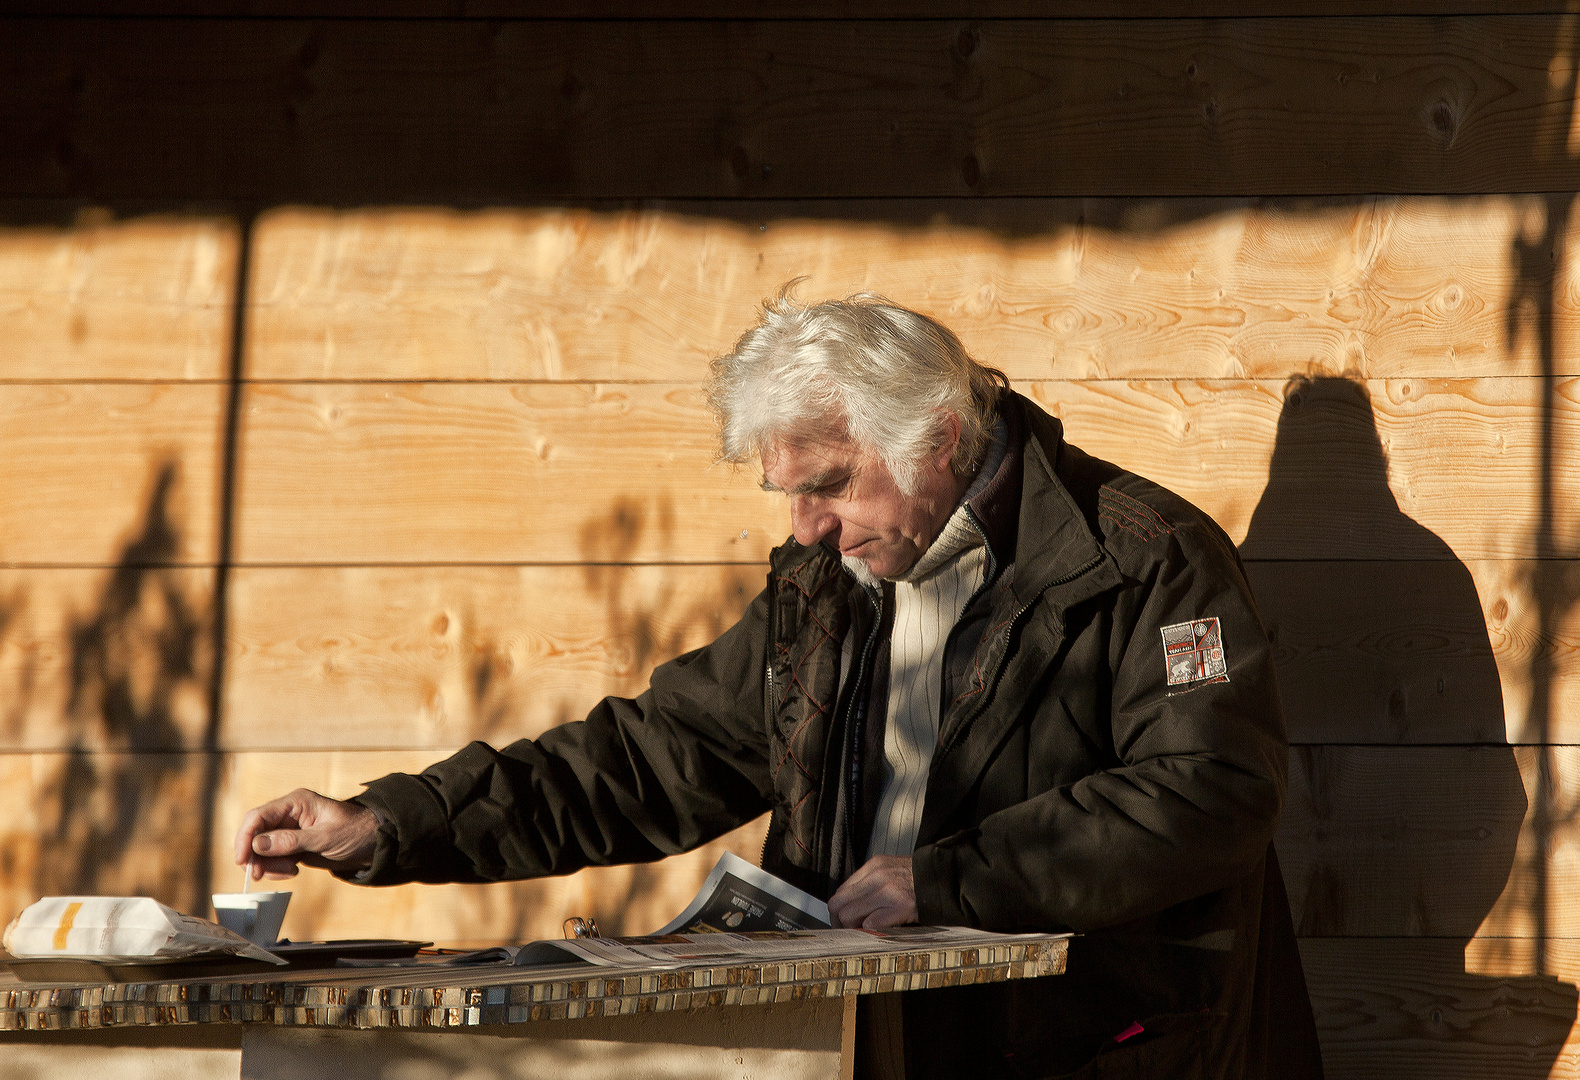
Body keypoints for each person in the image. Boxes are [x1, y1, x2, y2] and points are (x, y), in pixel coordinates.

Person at [235, 293, 1322, 1079]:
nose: (806, 528)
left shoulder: (1143, 556)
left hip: (1095, 1046)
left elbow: (1207, 791)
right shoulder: (827, 583)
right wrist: (391, 823)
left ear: (938, 437)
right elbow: (651, 758)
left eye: (832, 487)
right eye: (788, 495)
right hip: (860, 1042)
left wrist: (947, 881)